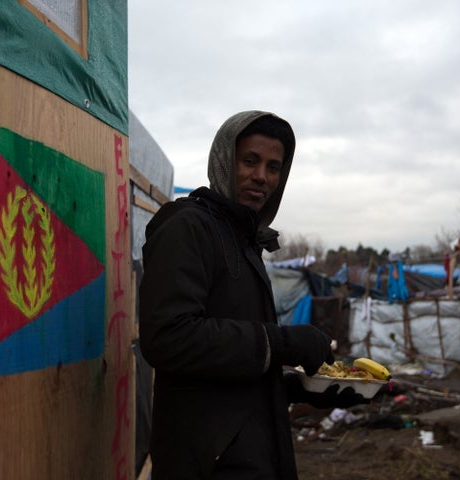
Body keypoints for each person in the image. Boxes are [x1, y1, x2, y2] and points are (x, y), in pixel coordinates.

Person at [139, 110, 366, 479]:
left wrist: (301, 388)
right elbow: (169, 337)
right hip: (204, 461)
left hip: (251, 453)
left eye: (274, 167)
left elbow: (227, 365)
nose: (262, 177)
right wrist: (282, 342)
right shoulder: (187, 227)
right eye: (250, 161)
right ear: (225, 161)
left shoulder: (245, 242)